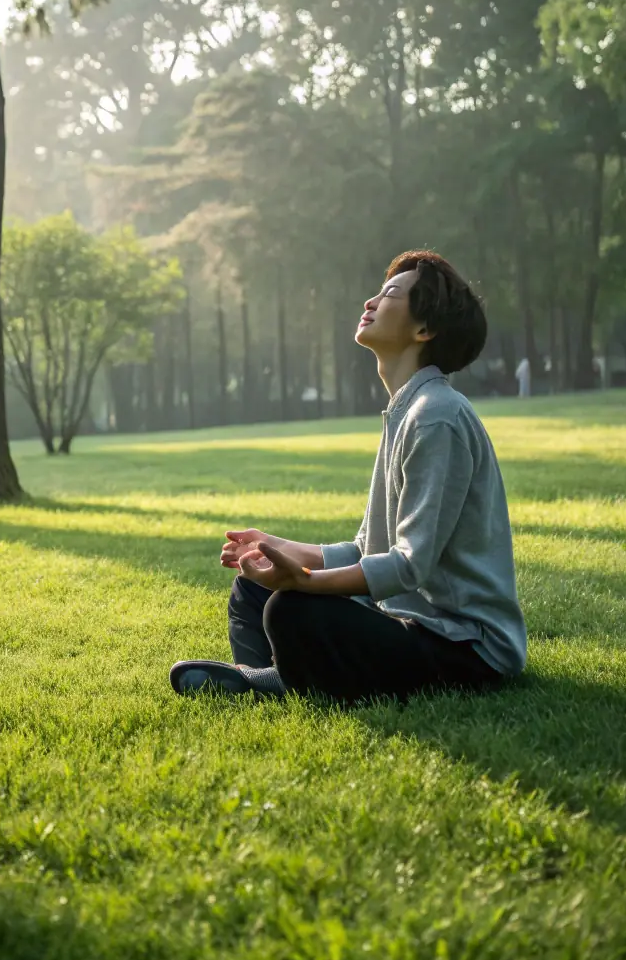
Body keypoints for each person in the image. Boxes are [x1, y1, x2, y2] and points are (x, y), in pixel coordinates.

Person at [170, 250, 526, 704]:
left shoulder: (437, 416)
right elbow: (366, 550)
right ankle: (269, 679)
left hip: (464, 646)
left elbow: (408, 565)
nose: (371, 301)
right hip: (410, 622)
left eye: (391, 294)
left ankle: (276, 680)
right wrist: (277, 549)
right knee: (253, 585)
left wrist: (305, 582)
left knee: (293, 608)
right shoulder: (406, 410)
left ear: (424, 330)